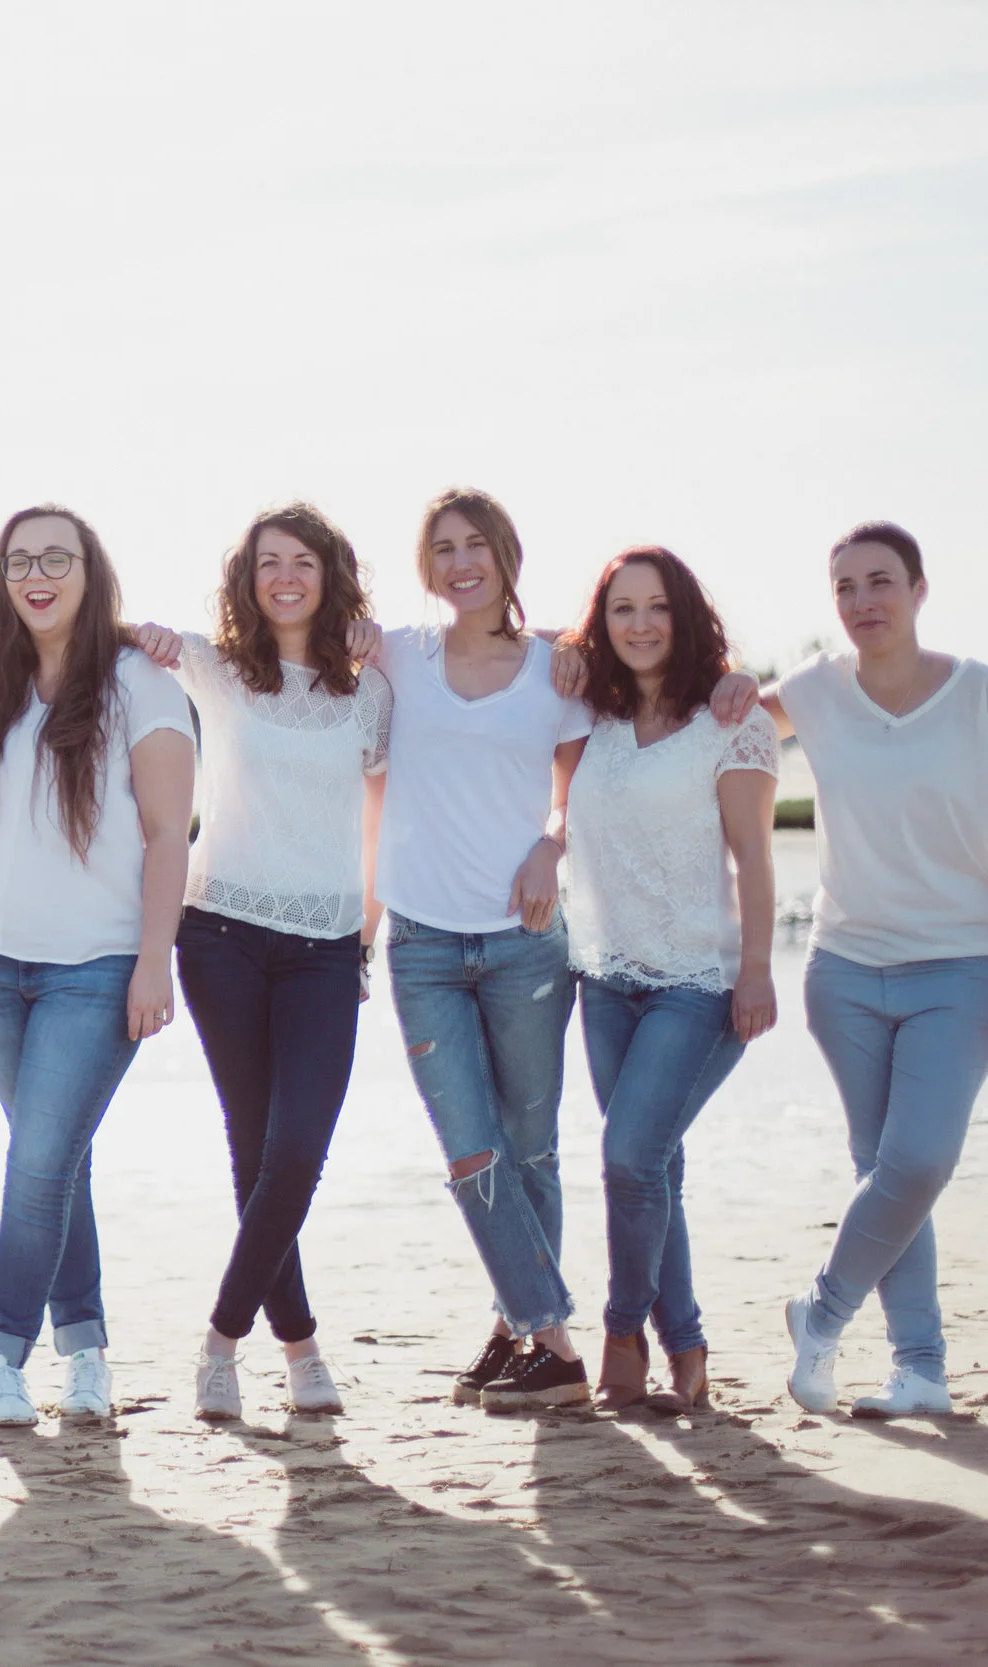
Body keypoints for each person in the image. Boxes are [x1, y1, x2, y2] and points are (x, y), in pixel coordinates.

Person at [730, 521, 988, 1419]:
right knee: (884, 1169)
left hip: (965, 964)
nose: (863, 601)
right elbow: (726, 716)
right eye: (844, 588)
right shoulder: (814, 691)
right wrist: (723, 677)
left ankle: (821, 1311)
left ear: (919, 589)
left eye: (880, 581)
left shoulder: (981, 693)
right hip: (844, 972)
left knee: (916, 1161)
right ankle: (920, 1369)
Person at [124, 503, 390, 1421]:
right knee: (256, 1148)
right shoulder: (215, 666)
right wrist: (143, 630)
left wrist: (368, 928)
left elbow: (387, 811)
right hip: (222, 933)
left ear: (330, 574)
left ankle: (222, 1340)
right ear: (248, 577)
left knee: (298, 1149)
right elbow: (97, 632)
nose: (285, 576)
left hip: (326, 946)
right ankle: (304, 1349)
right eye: (268, 561)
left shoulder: (371, 688)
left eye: (303, 561)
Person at [0, 505, 196, 1427]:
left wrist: (153, 962)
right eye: (19, 560)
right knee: (56, 1164)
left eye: (57, 557)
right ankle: (86, 1349)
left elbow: (172, 833)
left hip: (96, 968)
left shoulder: (141, 684)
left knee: (38, 1160)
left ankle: (0, 1353)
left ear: (91, 573)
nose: (36, 573)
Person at [372, 487, 597, 1412]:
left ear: (506, 553)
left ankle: (520, 1335)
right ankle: (553, 1340)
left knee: (531, 1151)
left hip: (527, 943)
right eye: (443, 547)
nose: (461, 560)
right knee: (472, 1150)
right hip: (421, 941)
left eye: (476, 544)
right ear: (427, 566)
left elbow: (582, 790)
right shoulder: (393, 653)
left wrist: (553, 841)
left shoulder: (560, 670)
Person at [560, 547, 779, 1416]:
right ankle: (687, 1346)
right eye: (622, 610)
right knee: (653, 1167)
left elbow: (757, 858)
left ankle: (624, 1334)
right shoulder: (595, 720)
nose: (641, 624)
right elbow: (505, 639)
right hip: (606, 978)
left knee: (627, 1158)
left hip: (702, 983)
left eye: (657, 608)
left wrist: (756, 969)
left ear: (685, 618)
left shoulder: (732, 721)